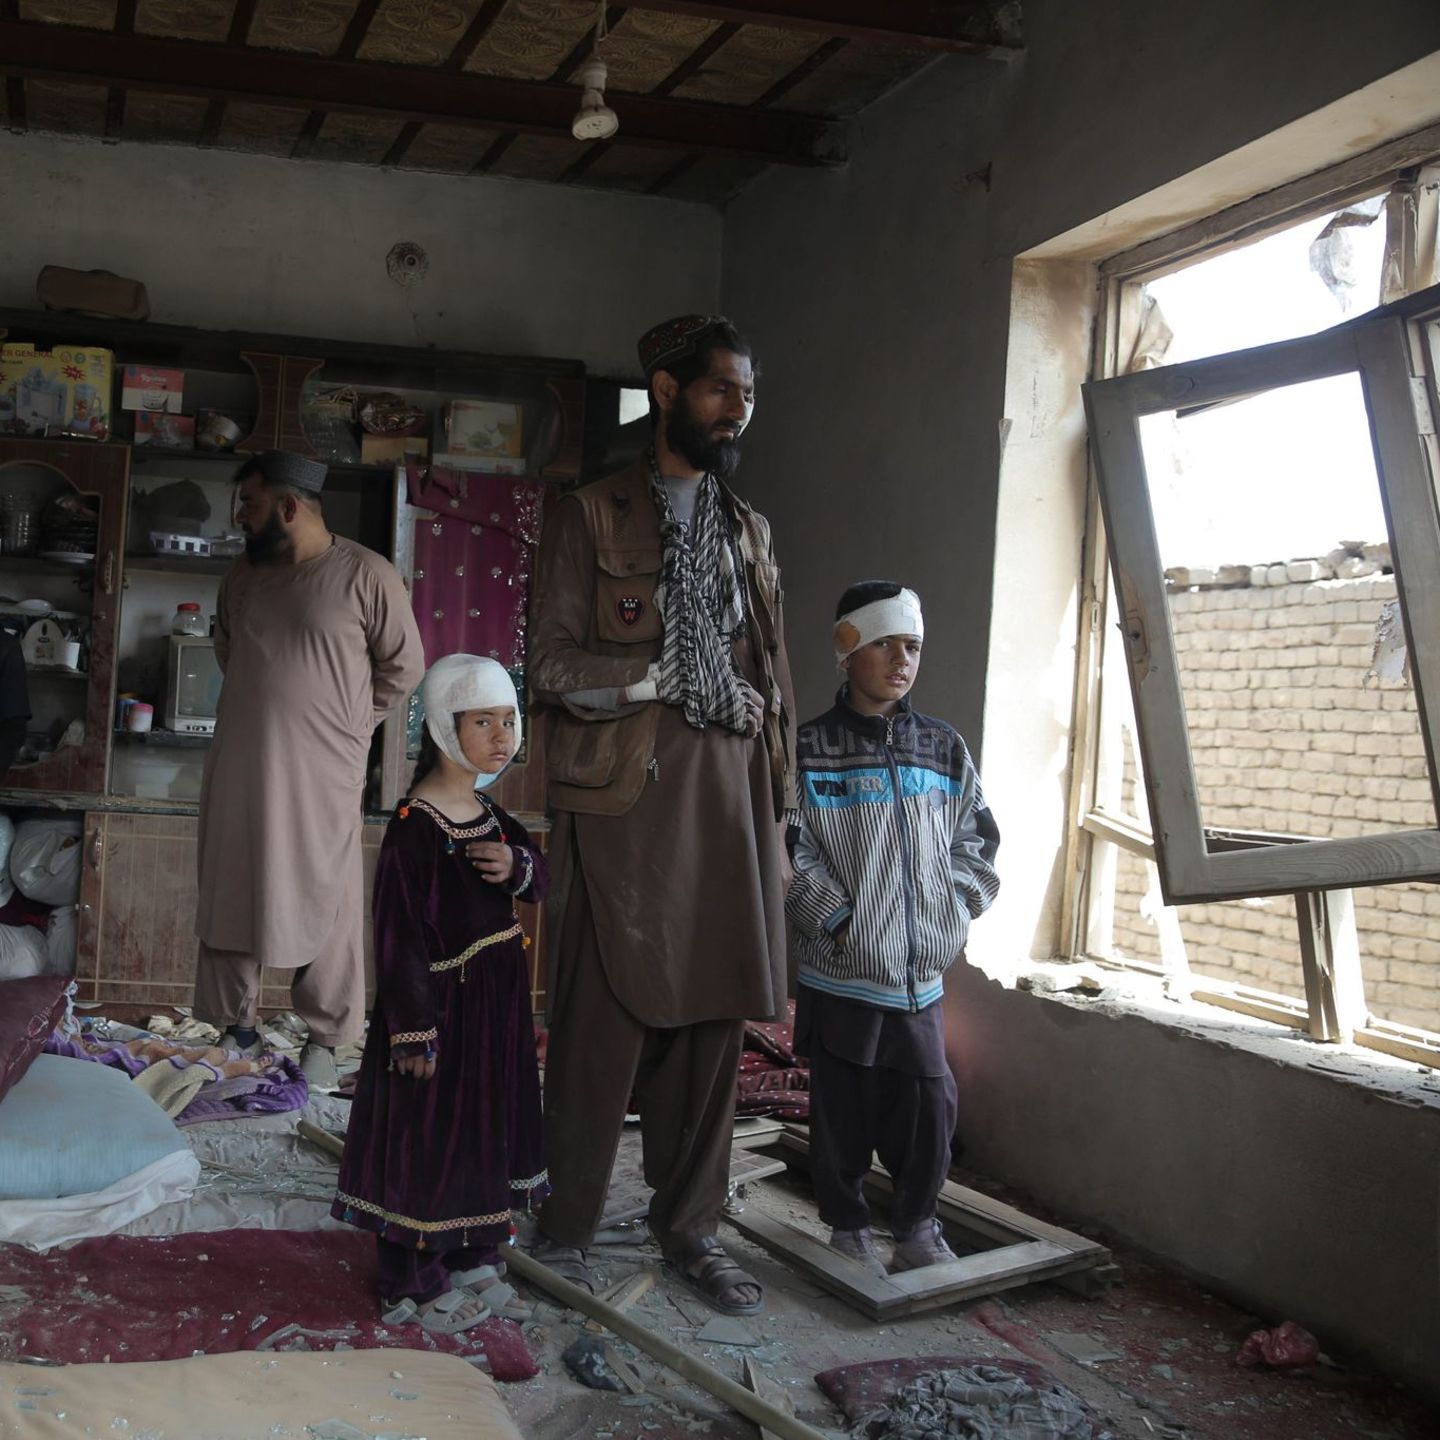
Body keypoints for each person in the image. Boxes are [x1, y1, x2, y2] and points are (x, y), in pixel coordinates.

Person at [524, 314, 795, 1316]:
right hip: (624, 794)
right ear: (668, 391)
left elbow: (774, 682)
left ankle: (690, 1234)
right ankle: (565, 1230)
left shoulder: (751, 531)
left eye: (749, 394)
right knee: (603, 1026)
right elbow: (547, 668)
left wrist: (784, 810)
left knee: (713, 1028)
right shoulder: (589, 516)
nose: (740, 409)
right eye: (724, 388)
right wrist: (656, 679)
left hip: (731, 799)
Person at [785, 582, 1000, 1275]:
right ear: (848, 649)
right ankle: (847, 1227)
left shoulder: (942, 748)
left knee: (928, 1102)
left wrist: (953, 909)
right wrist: (840, 922)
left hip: (920, 976)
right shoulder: (810, 750)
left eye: (912, 646)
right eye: (885, 644)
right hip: (843, 966)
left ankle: (915, 1226)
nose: (901, 660)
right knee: (842, 1107)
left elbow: (978, 839)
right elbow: (789, 848)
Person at [193, 450, 424, 1087]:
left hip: (325, 771)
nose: (238, 516)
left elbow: (404, 669)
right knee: (232, 879)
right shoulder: (241, 575)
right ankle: (231, 1023)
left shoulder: (366, 575)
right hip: (240, 762)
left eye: (249, 503)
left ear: (288, 507)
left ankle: (326, 1035)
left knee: (326, 892)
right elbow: (230, 650)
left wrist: (349, 728)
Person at [333, 654, 548, 1333]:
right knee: (425, 1144)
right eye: (483, 721)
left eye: (509, 721)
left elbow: (541, 883)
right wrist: (412, 1031)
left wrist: (519, 867)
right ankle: (412, 1275)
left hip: (496, 1017)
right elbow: (397, 937)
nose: (501, 735)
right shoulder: (415, 824)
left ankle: (475, 1254)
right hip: (440, 1017)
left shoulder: (489, 814)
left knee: (485, 1133)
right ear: (446, 730)